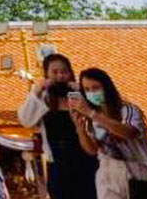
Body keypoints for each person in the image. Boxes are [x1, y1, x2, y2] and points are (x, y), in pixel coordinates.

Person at [71, 67, 147, 199]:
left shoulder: (127, 110)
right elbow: (92, 150)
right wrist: (79, 128)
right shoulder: (91, 119)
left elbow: (129, 133)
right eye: (87, 89)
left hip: (137, 170)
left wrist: (93, 115)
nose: (91, 92)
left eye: (95, 88)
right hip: (108, 172)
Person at [18, 53, 98, 199]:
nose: (60, 76)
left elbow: (99, 116)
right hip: (58, 163)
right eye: (55, 72)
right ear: (47, 75)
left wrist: (84, 92)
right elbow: (25, 120)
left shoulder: (79, 95)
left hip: (86, 159)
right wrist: (36, 92)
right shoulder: (44, 99)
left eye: (64, 72)